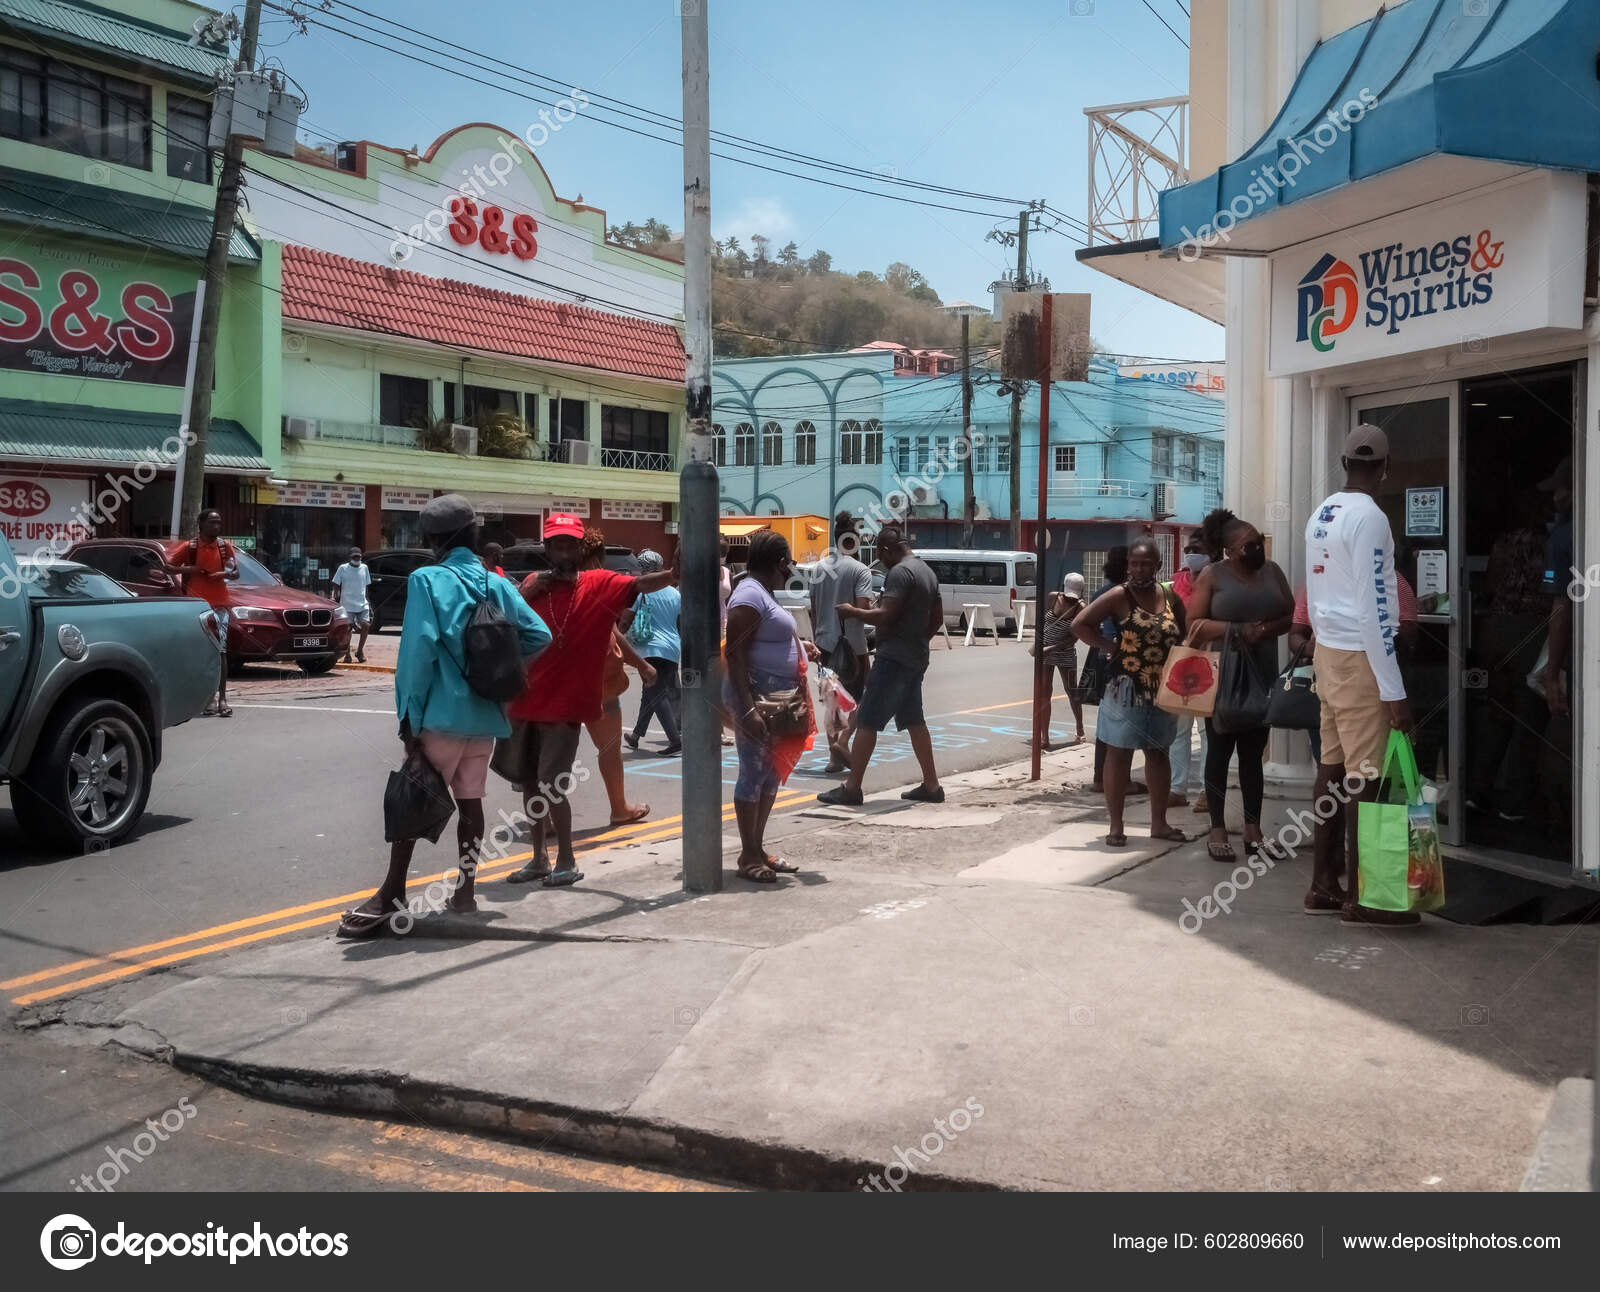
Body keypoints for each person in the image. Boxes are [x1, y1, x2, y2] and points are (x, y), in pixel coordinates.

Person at [339, 495, 551, 937]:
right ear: (474, 535)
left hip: (440, 715)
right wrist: (498, 671)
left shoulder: (427, 580)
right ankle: (465, 891)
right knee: (471, 802)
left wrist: (408, 720)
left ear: (433, 540)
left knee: (413, 798)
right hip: (486, 718)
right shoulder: (497, 582)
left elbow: (418, 655)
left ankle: (393, 892)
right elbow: (538, 635)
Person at [505, 513, 674, 887]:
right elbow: (505, 619)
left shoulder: (598, 583)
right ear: (546, 548)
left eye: (569, 544)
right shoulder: (533, 583)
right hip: (527, 702)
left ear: (580, 549)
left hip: (566, 706)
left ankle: (566, 859)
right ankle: (538, 859)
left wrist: (674, 573)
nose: (562, 550)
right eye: (555, 544)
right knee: (531, 784)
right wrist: (528, 593)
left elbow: (641, 583)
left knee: (552, 785)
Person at [1304, 424, 1415, 926]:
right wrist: (1394, 691)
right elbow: (1374, 610)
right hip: (1360, 658)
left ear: (1345, 462)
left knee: (1332, 768)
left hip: (1328, 655)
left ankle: (1324, 884)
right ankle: (1366, 896)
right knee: (1365, 778)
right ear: (1386, 468)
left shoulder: (1321, 514)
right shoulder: (1371, 518)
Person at [1183, 509, 1294, 863]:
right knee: (1218, 752)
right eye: (1249, 545)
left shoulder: (1272, 571)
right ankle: (1217, 828)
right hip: (1223, 676)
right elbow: (1194, 624)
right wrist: (1236, 629)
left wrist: (1261, 630)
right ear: (1229, 550)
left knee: (1253, 756)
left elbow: (1290, 614)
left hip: (1262, 672)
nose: (1257, 548)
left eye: (1259, 541)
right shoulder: (1213, 575)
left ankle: (1253, 831)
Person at [1071, 537, 1188, 848]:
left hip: (1161, 688)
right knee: (1119, 754)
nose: (1140, 568)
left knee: (1158, 753)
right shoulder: (1118, 596)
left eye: (1146, 563)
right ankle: (1116, 825)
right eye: (1134, 563)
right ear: (1128, 566)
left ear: (1158, 566)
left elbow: (1185, 632)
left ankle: (1159, 823)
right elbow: (1080, 624)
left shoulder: (1170, 595)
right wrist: (1109, 646)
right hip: (1125, 689)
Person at [817, 524, 944, 808]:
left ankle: (852, 788)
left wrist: (853, 612)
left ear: (887, 549)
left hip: (893, 657)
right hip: (915, 656)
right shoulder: (926, 571)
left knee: (868, 721)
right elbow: (937, 617)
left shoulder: (900, 573)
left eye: (879, 553)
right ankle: (932, 785)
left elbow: (886, 615)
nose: (880, 560)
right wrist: (918, 639)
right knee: (914, 720)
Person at [724, 530, 821, 881]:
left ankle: (757, 847)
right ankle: (748, 854)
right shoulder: (749, 596)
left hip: (777, 699)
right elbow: (734, 654)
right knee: (752, 773)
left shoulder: (761, 594)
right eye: (789, 563)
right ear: (780, 563)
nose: (789, 569)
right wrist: (747, 709)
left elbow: (768, 636)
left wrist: (801, 647)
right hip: (758, 698)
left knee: (767, 776)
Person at [1291, 570, 1417, 764]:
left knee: (1344, 765)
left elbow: (1407, 634)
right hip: (1333, 683)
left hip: (1369, 685)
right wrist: (1313, 647)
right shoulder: (1318, 582)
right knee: (1350, 767)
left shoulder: (1393, 580)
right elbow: (1295, 634)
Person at [578, 529, 652, 827]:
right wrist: (643, 665)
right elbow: (614, 633)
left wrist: (642, 664)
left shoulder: (550, 584)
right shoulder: (599, 585)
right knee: (609, 750)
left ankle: (545, 821)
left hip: (559, 681)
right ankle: (619, 808)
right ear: (598, 558)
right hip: (601, 682)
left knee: (554, 756)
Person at [1530, 456, 1574, 845]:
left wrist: (1553, 670)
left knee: (1559, 745)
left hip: (1580, 665)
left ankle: (1563, 829)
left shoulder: (1562, 540)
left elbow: (1562, 606)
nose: (1555, 499)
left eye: (1559, 490)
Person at [811, 511, 875, 771]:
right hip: (854, 646)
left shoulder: (818, 568)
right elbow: (861, 609)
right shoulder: (861, 570)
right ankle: (845, 743)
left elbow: (814, 609)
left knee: (831, 702)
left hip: (824, 644)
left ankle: (832, 756)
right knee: (861, 701)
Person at [1088, 546, 1146, 796]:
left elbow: (1086, 625)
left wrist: (1103, 645)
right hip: (1123, 663)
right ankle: (1121, 780)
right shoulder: (1128, 594)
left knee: (1106, 723)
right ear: (1129, 566)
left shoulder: (1100, 592)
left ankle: (1099, 777)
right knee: (1125, 723)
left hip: (1100, 660)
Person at [173, 508, 238, 717]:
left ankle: (223, 698)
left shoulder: (224, 546)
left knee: (221, 651)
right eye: (212, 522)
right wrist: (189, 570)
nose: (216, 526)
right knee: (202, 654)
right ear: (201, 524)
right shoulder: (190, 547)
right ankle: (207, 699)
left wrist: (224, 573)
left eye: (219, 522)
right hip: (196, 606)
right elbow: (167, 567)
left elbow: (235, 572)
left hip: (219, 606)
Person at [624, 549, 684, 755]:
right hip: (672, 648)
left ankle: (675, 739)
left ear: (641, 568)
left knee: (656, 693)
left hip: (649, 647)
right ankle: (636, 735)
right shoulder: (675, 592)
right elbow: (680, 620)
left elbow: (626, 618)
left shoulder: (641, 590)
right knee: (650, 692)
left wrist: (619, 639)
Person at [1167, 532, 1211, 810]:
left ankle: (1208, 790)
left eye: (1197, 548)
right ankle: (1176, 788)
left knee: (1206, 730)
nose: (1191, 553)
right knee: (1179, 729)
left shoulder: (1217, 579)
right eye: (1188, 549)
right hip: (1180, 659)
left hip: (1209, 660)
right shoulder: (1175, 583)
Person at [1037, 572, 1087, 748]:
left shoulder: (1081, 607)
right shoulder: (1053, 598)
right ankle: (1044, 737)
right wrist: (1040, 644)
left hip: (1064, 651)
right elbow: (1040, 620)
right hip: (1044, 651)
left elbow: (1075, 636)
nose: (1070, 598)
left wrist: (1054, 647)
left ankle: (1080, 729)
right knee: (1044, 692)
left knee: (1072, 691)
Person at [332, 546, 373, 664]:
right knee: (348, 629)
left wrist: (368, 601)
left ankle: (359, 651)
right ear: (350, 557)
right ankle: (347, 653)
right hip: (347, 604)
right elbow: (335, 583)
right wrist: (334, 596)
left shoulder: (364, 568)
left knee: (365, 625)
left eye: (358, 557)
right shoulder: (343, 568)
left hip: (362, 603)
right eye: (354, 557)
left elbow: (366, 586)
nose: (356, 559)